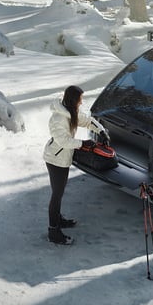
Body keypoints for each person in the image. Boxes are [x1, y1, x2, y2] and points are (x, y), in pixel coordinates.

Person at [43, 85, 105, 245]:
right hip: (55, 159)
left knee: (59, 192)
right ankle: (53, 231)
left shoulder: (71, 112)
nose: (81, 103)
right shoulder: (58, 118)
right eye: (80, 100)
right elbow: (62, 140)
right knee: (56, 195)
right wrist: (83, 143)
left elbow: (86, 120)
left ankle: (58, 220)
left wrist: (101, 131)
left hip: (63, 157)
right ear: (73, 100)